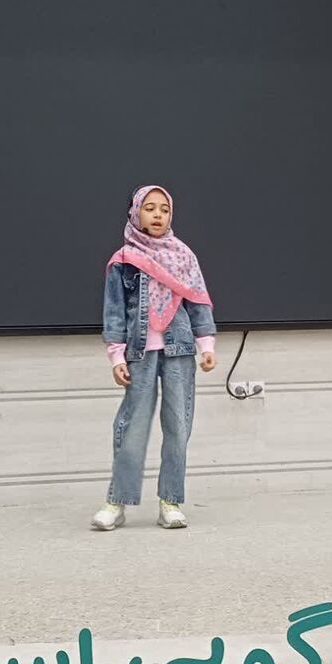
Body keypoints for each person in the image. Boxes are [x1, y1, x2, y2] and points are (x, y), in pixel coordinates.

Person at [92, 185, 217, 531]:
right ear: (135, 213)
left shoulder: (183, 256)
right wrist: (116, 355)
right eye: (150, 208)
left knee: (178, 425)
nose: (158, 215)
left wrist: (207, 345)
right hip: (139, 352)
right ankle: (117, 501)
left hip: (180, 351)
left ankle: (170, 502)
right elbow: (114, 311)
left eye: (164, 209)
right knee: (132, 426)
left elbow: (198, 302)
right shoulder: (123, 260)